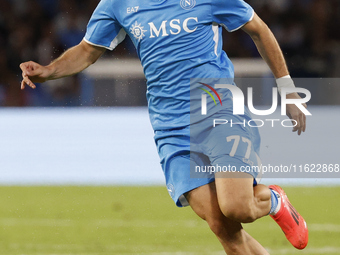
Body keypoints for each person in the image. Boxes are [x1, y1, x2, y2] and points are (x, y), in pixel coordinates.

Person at [20, 0, 308, 253]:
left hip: (218, 110)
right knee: (222, 226)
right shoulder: (118, 3)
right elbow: (87, 50)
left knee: (237, 207)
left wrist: (288, 90)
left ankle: (274, 200)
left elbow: (258, 29)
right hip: (171, 128)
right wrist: (48, 71)